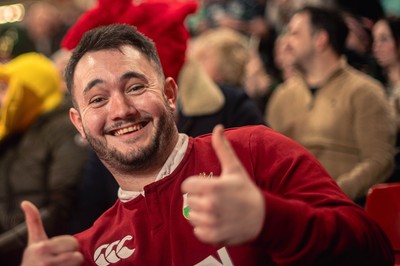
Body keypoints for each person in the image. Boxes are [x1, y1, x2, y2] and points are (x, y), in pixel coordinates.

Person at [19, 23, 394, 266]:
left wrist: (270, 220)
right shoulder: (87, 250)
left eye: (135, 87)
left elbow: (373, 252)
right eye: (98, 99)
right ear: (79, 123)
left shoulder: (253, 151)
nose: (121, 110)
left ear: (169, 95)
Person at [266, 6, 396, 205]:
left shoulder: (365, 92)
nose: (286, 42)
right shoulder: (282, 96)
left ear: (320, 40)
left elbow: (379, 161)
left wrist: (330, 193)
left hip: (345, 210)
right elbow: (269, 161)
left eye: (294, 34)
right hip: (290, 210)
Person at [0, 53, 88, 265]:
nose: (1, 99)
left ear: (31, 90)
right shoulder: (14, 133)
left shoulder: (64, 130)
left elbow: (61, 210)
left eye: (4, 88)